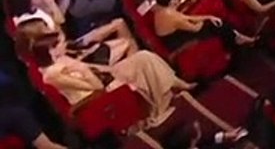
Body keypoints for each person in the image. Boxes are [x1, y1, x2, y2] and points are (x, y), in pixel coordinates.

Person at [20, 22, 193, 128]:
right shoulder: (52, 74)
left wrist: (107, 69)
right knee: (139, 67)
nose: (64, 44)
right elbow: (96, 87)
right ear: (49, 50)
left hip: (102, 77)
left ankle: (174, 84)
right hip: (96, 96)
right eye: (59, 43)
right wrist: (81, 68)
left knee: (143, 57)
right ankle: (161, 105)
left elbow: (91, 68)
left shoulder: (59, 58)